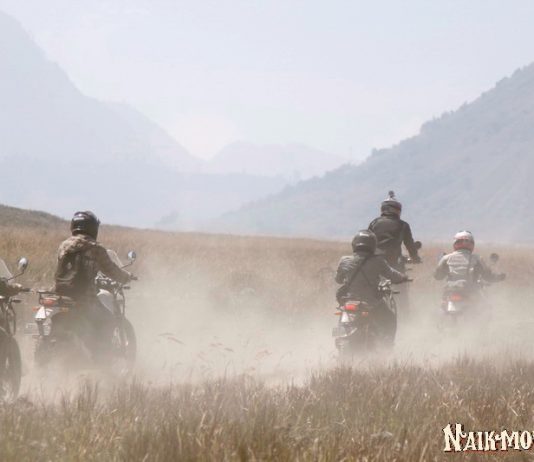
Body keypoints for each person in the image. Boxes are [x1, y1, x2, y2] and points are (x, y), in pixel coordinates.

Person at [53, 211, 132, 360]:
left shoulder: (63, 245)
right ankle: (101, 358)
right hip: (84, 298)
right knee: (108, 320)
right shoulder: (96, 248)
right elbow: (111, 270)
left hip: (60, 296)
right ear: (93, 228)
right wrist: (126, 277)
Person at [335, 230, 409, 345]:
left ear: (355, 244)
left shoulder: (344, 260)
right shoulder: (378, 261)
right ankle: (387, 346)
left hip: (349, 300)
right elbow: (393, 275)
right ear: (373, 245)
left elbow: (338, 279)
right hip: (371, 302)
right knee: (390, 319)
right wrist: (404, 277)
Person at [434, 230, 505, 296]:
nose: (464, 244)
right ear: (472, 244)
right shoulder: (477, 258)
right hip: (470, 292)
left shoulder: (446, 258)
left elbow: (438, 276)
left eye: (466, 242)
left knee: (444, 301)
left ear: (455, 243)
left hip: (451, 291)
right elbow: (487, 276)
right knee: (484, 302)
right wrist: (499, 277)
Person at [368, 191, 421, 269]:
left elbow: (367, 241)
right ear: (397, 210)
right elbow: (409, 244)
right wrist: (415, 257)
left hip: (374, 261)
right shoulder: (403, 225)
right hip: (394, 262)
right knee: (401, 275)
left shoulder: (374, 223)